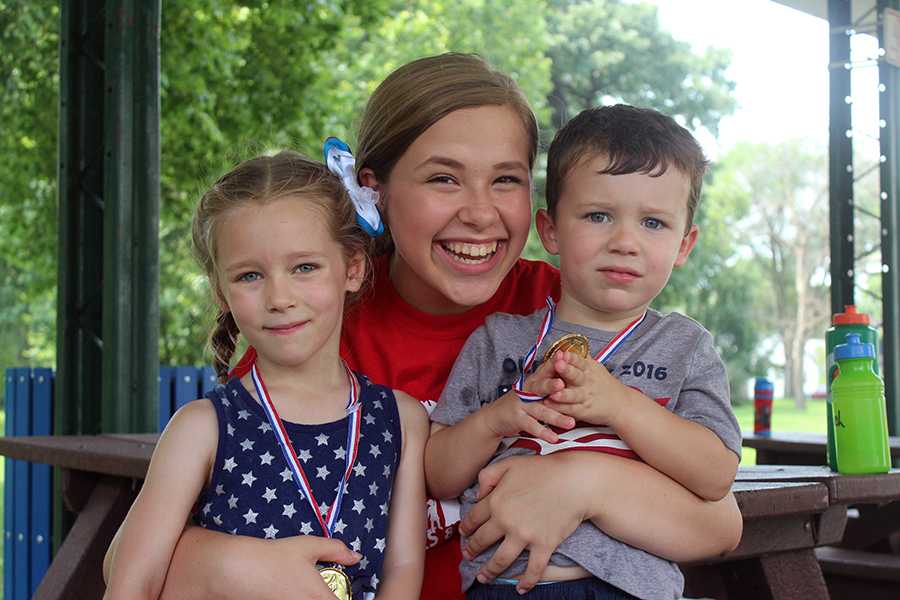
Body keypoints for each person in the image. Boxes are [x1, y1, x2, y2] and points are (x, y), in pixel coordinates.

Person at [104, 54, 743, 600]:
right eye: (443, 178)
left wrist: (586, 482)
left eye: (506, 180)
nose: (479, 212)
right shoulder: (313, 327)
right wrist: (226, 562)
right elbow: (149, 549)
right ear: (372, 190)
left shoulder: (571, 312)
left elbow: (718, 522)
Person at [426, 104, 742, 599]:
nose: (625, 242)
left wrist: (619, 404)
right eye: (599, 215)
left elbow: (716, 474)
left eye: (654, 223)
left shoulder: (685, 348)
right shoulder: (500, 339)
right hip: (505, 588)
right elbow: (438, 474)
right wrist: (497, 418)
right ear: (549, 230)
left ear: (685, 244)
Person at [103, 151, 428, 600]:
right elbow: (130, 583)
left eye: (304, 267)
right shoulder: (201, 428)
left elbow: (403, 572)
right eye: (250, 275)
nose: (279, 297)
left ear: (352, 267)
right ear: (221, 291)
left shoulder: (402, 419)